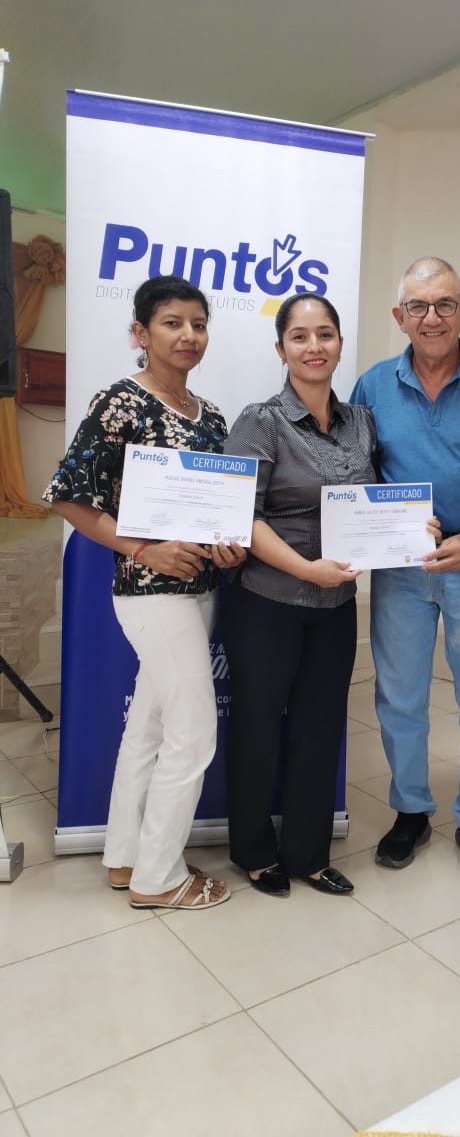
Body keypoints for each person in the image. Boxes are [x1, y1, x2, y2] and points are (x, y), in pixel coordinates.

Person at [44, 275, 245, 910]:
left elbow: (216, 510)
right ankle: (161, 878)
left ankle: (125, 856)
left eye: (198, 324)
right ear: (141, 332)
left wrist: (228, 545)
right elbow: (69, 498)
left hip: (203, 588)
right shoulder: (120, 403)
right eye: (172, 323)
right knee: (193, 730)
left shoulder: (211, 416)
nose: (189, 335)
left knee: (150, 726)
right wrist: (142, 548)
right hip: (151, 592)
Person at [350, 257, 460, 878]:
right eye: (418, 306)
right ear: (399, 316)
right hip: (401, 569)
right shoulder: (371, 386)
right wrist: (383, 526)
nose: (432, 318)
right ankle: (411, 810)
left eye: (445, 304)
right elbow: (356, 473)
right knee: (400, 696)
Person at [220, 292, 377, 897]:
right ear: (281, 347)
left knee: (321, 727)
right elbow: (244, 516)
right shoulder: (260, 421)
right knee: (258, 727)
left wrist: (408, 529)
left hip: (335, 606)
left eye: (325, 334)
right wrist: (308, 569)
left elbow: (371, 501)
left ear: (340, 343)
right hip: (267, 601)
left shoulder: (361, 421)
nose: (315, 347)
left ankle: (309, 854)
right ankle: (254, 852)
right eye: (300, 336)